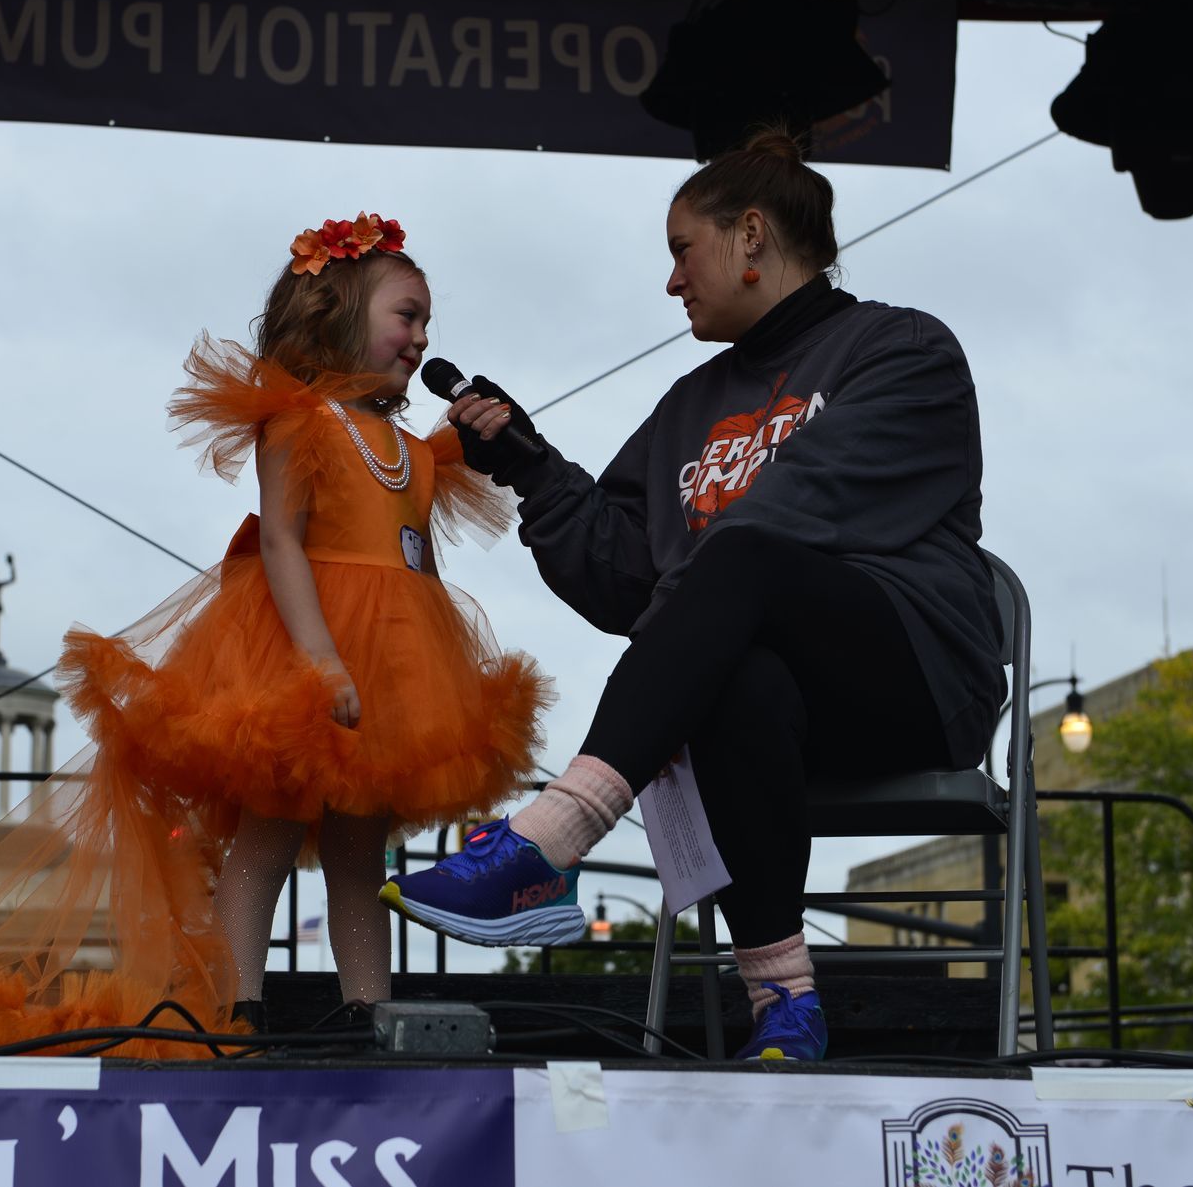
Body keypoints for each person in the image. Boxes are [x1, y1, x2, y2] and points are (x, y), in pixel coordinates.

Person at [0, 214, 549, 1054]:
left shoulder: (415, 448)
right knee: (265, 830)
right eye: (406, 315)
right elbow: (279, 542)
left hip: (397, 665)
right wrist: (319, 659)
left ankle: (365, 1009)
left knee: (358, 849)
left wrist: (426, 677)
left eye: (425, 322)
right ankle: (235, 1004)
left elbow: (417, 565)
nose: (420, 336)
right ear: (340, 313)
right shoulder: (297, 421)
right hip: (303, 651)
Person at [380, 131, 1007, 1063]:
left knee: (745, 559)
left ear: (751, 234)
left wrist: (697, 597)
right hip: (770, 704)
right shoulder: (688, 404)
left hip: (908, 676)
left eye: (682, 249)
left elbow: (785, 522)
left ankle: (553, 838)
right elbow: (629, 581)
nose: (671, 281)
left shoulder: (902, 350)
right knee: (737, 671)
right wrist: (533, 467)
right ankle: (784, 998)